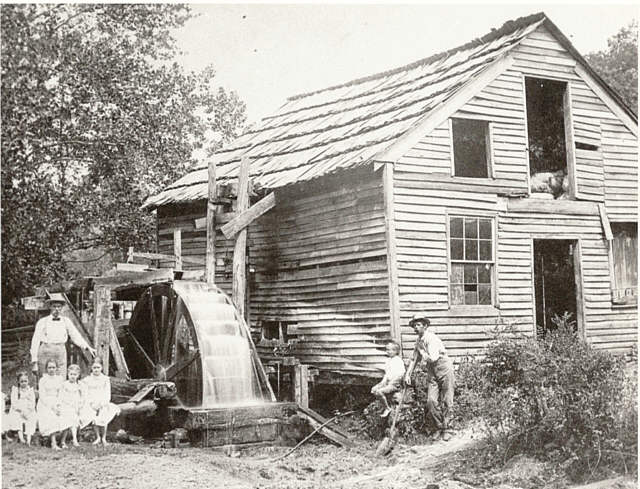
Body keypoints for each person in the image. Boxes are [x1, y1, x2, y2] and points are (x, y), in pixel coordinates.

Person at [404, 314, 455, 442]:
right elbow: (414, 359)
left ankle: (447, 428)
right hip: (432, 370)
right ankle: (438, 427)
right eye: (414, 326)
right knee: (431, 400)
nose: (416, 328)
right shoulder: (418, 341)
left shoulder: (431, 338)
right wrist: (408, 374)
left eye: (418, 325)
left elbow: (433, 358)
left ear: (425, 326)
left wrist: (421, 351)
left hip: (444, 367)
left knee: (447, 399)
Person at [30, 295, 96, 377]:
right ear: (50, 307)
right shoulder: (42, 322)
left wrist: (87, 347)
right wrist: (34, 361)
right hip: (45, 351)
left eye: (59, 307)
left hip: (60, 352)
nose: (57, 309)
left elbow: (75, 335)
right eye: (54, 306)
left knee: (61, 378)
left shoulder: (66, 321)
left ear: (62, 308)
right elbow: (35, 341)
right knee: (44, 378)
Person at [81, 359, 120, 445]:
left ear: (101, 368)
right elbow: (86, 393)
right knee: (93, 416)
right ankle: (97, 437)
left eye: (98, 367)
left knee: (104, 415)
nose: (96, 369)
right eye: (94, 367)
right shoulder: (87, 380)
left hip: (102, 401)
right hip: (91, 402)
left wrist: (102, 403)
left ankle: (104, 438)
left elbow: (107, 393)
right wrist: (91, 403)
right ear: (91, 368)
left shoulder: (105, 379)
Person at [371, 341, 406, 418]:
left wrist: (392, 383)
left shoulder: (398, 361)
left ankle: (387, 408)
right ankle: (384, 404)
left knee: (379, 392)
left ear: (396, 351)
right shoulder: (388, 361)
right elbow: (386, 374)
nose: (389, 352)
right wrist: (382, 383)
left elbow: (401, 374)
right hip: (388, 382)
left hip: (395, 384)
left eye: (391, 350)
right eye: (387, 350)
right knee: (374, 389)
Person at [37, 358, 64, 450]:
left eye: (53, 367)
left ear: (56, 368)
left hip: (57, 401)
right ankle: (53, 443)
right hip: (45, 403)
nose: (51, 369)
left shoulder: (60, 379)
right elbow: (42, 396)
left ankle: (63, 441)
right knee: (50, 415)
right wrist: (52, 407)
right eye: (49, 367)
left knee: (65, 413)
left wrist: (58, 405)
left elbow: (61, 394)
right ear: (46, 369)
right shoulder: (43, 380)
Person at [5, 371, 37, 445]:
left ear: (28, 381)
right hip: (18, 409)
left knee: (32, 417)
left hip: (28, 409)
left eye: (25, 381)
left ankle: (29, 438)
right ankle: (21, 438)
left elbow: (32, 403)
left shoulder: (30, 390)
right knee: (16, 417)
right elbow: (14, 403)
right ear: (19, 382)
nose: (24, 383)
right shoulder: (16, 390)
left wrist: (27, 411)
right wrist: (21, 411)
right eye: (21, 381)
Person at [58, 364, 85, 448]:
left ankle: (75, 439)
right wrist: (63, 405)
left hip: (74, 406)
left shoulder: (78, 386)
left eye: (75, 374)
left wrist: (79, 405)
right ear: (68, 374)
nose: (73, 376)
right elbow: (61, 396)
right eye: (71, 374)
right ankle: (62, 441)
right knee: (67, 421)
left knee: (74, 422)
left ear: (78, 375)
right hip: (65, 405)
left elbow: (81, 396)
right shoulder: (64, 384)